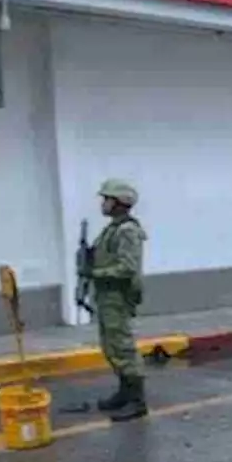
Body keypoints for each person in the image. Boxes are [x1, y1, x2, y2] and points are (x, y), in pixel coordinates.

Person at [87, 179, 149, 422]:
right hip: (107, 295)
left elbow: (127, 268)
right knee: (111, 345)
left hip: (118, 296)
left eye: (107, 199)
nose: (103, 204)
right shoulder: (113, 228)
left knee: (122, 346)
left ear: (120, 203)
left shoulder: (127, 231)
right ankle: (124, 393)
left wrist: (95, 273)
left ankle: (137, 401)